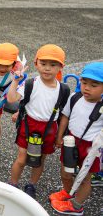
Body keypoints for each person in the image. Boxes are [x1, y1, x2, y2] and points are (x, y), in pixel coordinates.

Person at [7, 44, 69, 199]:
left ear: (61, 67)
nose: (47, 68)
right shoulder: (31, 84)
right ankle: (12, 184)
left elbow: (64, 116)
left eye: (53, 65)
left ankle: (31, 185)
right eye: (43, 64)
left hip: (49, 128)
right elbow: (11, 98)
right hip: (28, 125)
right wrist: (16, 81)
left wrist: (60, 136)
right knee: (21, 159)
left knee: (39, 160)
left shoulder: (64, 90)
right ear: (36, 64)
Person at [49, 62, 103, 215]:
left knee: (85, 178)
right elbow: (65, 116)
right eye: (84, 82)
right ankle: (68, 192)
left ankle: (76, 205)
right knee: (66, 172)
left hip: (91, 148)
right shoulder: (75, 97)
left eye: (94, 85)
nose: (87, 87)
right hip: (71, 141)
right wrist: (59, 136)